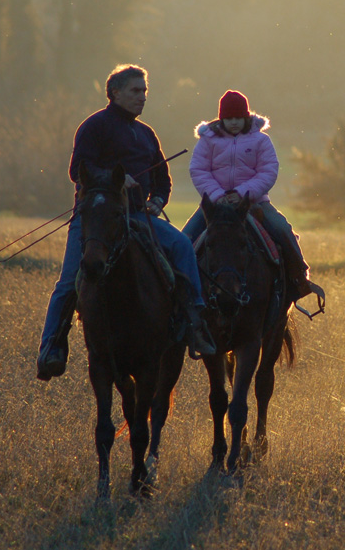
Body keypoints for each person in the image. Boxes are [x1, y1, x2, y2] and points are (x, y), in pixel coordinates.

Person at [36, 64, 216, 381]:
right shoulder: (94, 127)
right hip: (97, 218)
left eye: (144, 91)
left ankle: (194, 325)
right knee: (69, 282)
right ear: (115, 92)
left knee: (183, 246)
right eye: (135, 91)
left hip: (138, 216)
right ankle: (52, 348)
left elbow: (163, 181)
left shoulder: (147, 134)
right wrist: (116, 180)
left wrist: (157, 201)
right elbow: (78, 169)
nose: (142, 97)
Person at [181, 89, 326, 307]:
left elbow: (268, 170)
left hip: (254, 204)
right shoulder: (207, 141)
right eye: (229, 118)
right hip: (215, 207)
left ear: (246, 117)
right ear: (221, 118)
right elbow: (199, 170)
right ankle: (178, 288)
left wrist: (242, 194)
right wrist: (218, 196)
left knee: (282, 229)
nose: (234, 123)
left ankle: (299, 278)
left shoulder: (260, 140)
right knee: (185, 239)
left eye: (238, 118)